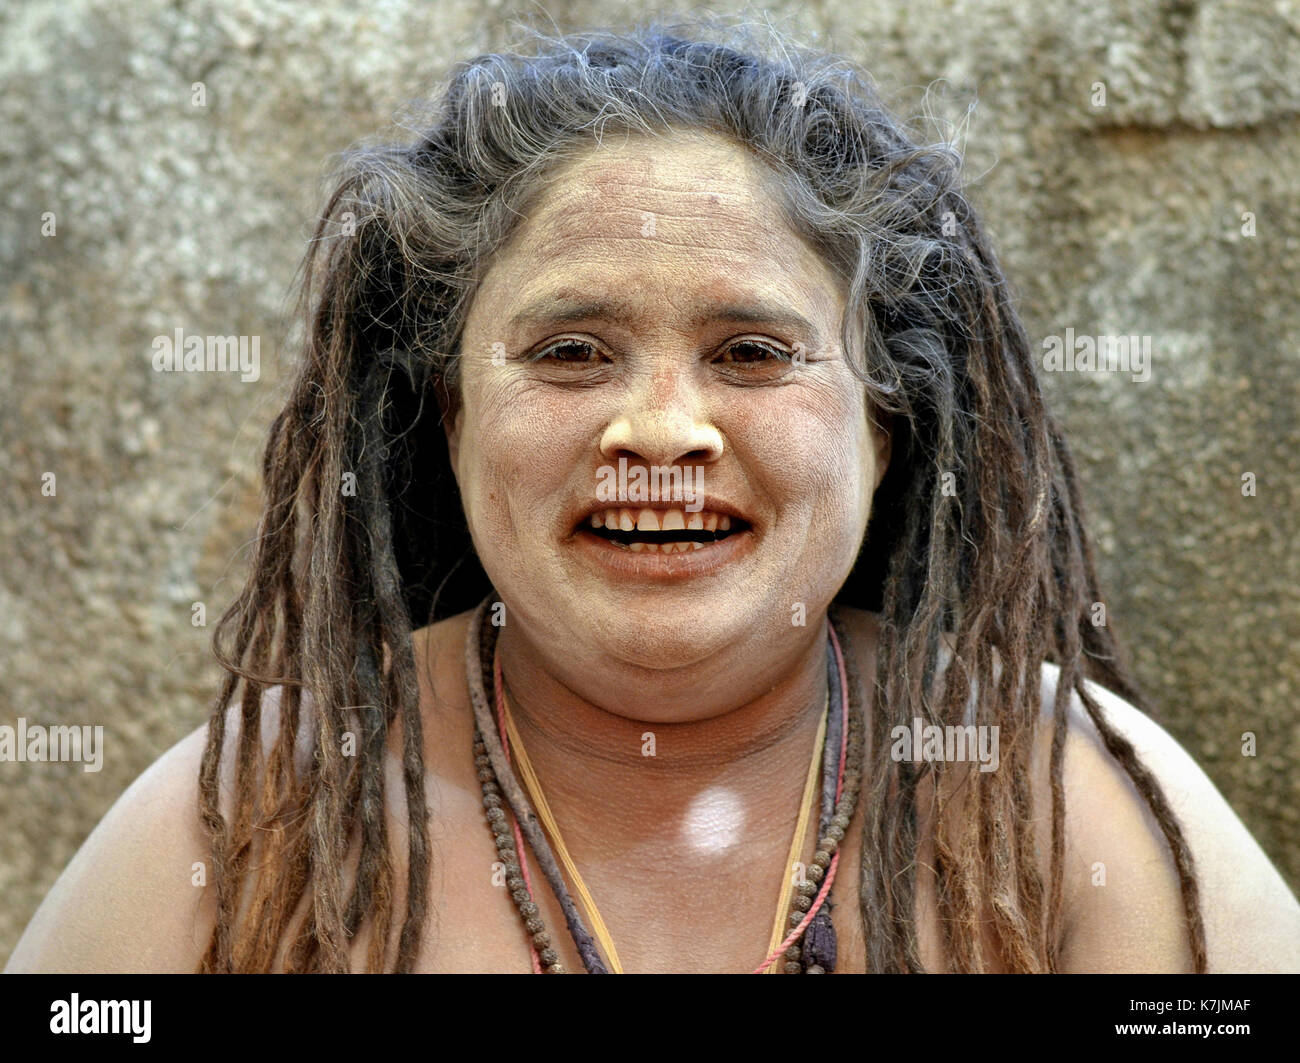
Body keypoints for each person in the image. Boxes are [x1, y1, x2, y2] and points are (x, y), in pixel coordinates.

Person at [9, 20, 1299, 974]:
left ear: (888, 427)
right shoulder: (265, 819)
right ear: (452, 419)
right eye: (569, 354)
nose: (662, 429)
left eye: (753, 353)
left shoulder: (1045, 794)